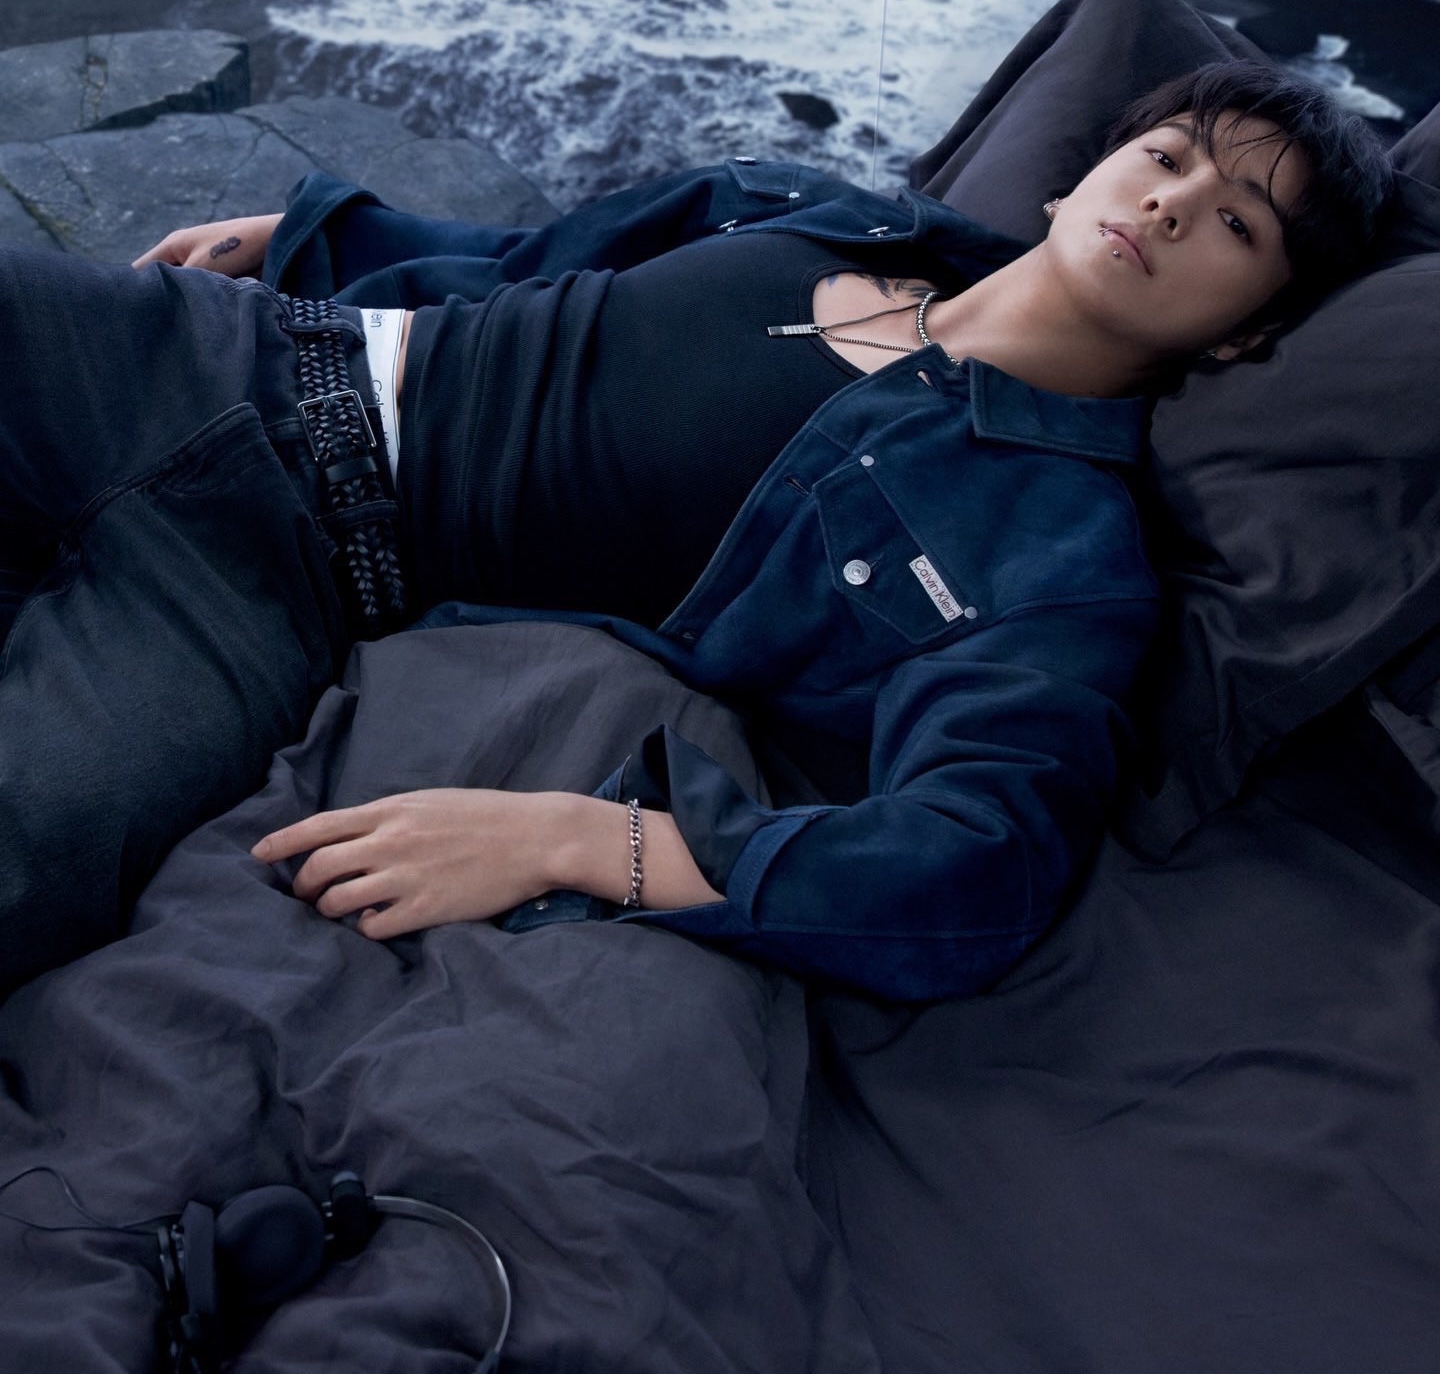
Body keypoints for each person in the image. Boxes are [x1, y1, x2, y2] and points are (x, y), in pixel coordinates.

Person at [0, 61, 1393, 998]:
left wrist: (580, 842)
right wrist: (321, 230)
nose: (1171, 203)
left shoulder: (1053, 549)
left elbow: (980, 868)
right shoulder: (819, 215)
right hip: (229, 353)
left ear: (1244, 336)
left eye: (1237, 224)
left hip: (283, 588)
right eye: (1165, 157)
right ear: (1073, 181)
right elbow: (546, 260)